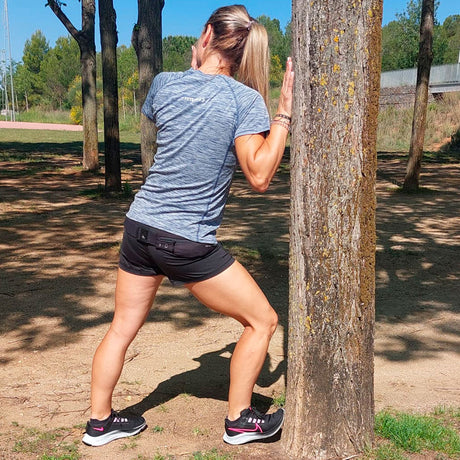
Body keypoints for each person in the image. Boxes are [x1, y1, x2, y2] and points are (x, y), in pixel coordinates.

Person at [82, 4, 294, 448]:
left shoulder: (164, 84)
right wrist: (282, 118)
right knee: (263, 321)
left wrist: (197, 68)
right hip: (185, 240)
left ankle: (99, 423)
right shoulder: (245, 100)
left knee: (122, 327)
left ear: (206, 35)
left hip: (140, 227)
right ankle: (240, 420)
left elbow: (179, 120)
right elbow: (259, 175)